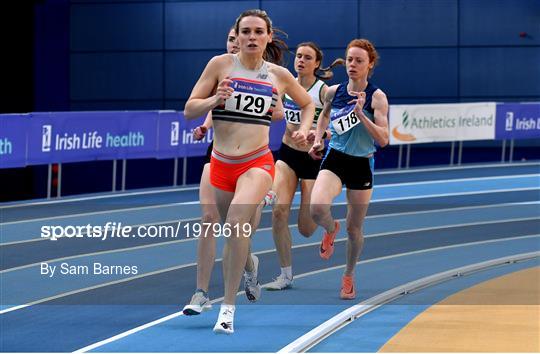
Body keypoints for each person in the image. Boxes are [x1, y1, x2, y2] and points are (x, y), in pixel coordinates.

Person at [184, 9, 315, 334]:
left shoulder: (279, 75)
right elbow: (189, 109)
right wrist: (216, 98)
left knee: (236, 223)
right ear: (238, 36)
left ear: (268, 36)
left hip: (257, 162)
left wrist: (305, 129)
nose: (252, 37)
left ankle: (227, 308)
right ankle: (249, 264)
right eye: (246, 32)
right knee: (235, 235)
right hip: (221, 163)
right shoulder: (220, 65)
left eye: (259, 32)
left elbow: (308, 104)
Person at [182, 27, 270, 317]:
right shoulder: (220, 67)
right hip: (218, 154)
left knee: (238, 229)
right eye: (233, 38)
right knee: (208, 219)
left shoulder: (264, 75)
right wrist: (205, 126)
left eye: (242, 37)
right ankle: (201, 292)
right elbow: (209, 104)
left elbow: (277, 109)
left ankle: (249, 265)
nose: (238, 42)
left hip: (250, 157)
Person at [308, 38, 389, 300]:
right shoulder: (334, 91)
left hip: (361, 164)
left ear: (370, 64)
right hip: (336, 158)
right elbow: (324, 115)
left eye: (359, 61)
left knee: (355, 230)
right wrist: (319, 138)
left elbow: (384, 139)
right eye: (350, 59)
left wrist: (361, 114)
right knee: (317, 207)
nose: (353, 65)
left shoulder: (377, 97)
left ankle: (349, 275)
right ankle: (331, 228)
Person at [264, 42, 343, 290]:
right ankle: (285, 275)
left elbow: (337, 127)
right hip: (287, 154)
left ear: (316, 63)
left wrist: (318, 136)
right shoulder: (286, 84)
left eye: (307, 57)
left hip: (313, 159)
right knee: (278, 211)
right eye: (298, 56)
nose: (301, 60)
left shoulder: (323, 91)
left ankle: (331, 226)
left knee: (306, 229)